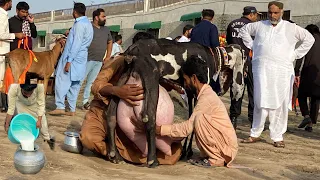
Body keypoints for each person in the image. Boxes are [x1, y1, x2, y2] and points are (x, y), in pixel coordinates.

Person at [79, 55, 182, 165]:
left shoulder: (152, 63)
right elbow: (96, 86)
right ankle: (113, 151)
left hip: (132, 125)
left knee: (170, 155)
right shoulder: (119, 61)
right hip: (102, 111)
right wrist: (116, 91)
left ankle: (133, 151)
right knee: (88, 138)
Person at [239, 1, 315, 147]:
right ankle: (255, 133)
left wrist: (295, 54)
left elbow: (309, 39)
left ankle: (277, 136)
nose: (273, 15)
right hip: (262, 69)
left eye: (276, 13)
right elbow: (244, 31)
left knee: (279, 103)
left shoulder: (290, 28)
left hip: (282, 71)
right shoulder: (260, 25)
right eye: (270, 12)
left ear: (282, 12)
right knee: (260, 101)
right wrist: (253, 46)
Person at [156, 55, 238, 168]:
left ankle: (216, 159)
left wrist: (159, 129)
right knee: (198, 119)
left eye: (186, 80)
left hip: (227, 148)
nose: (185, 84)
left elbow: (187, 128)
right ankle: (210, 155)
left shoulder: (207, 98)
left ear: (194, 79)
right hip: (225, 145)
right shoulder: (204, 94)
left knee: (199, 119)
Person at [48, 2, 93, 116]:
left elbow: (76, 44)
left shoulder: (79, 25)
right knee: (75, 84)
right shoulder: (88, 24)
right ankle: (72, 109)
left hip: (72, 57)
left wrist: (69, 61)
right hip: (81, 58)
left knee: (61, 81)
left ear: (74, 12)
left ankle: (60, 106)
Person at [226, 6, 259, 129]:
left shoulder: (232, 24)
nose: (256, 17)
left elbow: (229, 42)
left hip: (235, 60)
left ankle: (233, 118)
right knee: (252, 90)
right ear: (251, 14)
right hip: (250, 60)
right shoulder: (253, 26)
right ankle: (253, 119)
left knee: (236, 88)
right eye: (256, 15)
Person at [4, 73, 55, 150]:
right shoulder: (14, 88)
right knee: (24, 122)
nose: (28, 95)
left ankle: (47, 139)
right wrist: (7, 124)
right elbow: (11, 108)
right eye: (25, 93)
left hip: (35, 104)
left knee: (43, 125)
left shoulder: (39, 86)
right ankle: (27, 137)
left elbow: (41, 105)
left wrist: (39, 120)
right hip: (21, 103)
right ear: (21, 88)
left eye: (30, 93)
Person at [80, 8, 112, 110]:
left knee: (91, 82)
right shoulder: (88, 27)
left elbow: (110, 42)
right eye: (103, 16)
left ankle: (85, 101)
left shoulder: (106, 30)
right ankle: (70, 102)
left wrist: (108, 56)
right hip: (86, 59)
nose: (105, 18)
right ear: (96, 17)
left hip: (98, 61)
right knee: (79, 81)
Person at [0, 0, 25, 113]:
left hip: (4, 52)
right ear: (7, 3)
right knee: (2, 80)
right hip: (2, 52)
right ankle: (4, 105)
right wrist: (15, 35)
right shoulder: (3, 16)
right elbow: (1, 34)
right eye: (11, 2)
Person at [296, 24, 320, 132]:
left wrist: (296, 71)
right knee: (315, 98)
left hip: (307, 72)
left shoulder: (307, 39)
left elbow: (300, 56)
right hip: (318, 73)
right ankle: (310, 124)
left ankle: (306, 116)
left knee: (301, 95)